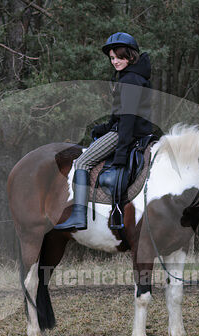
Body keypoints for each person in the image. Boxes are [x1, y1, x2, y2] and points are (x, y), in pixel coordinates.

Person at [54, 32, 152, 231]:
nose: (115, 61)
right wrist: (104, 128)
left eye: (119, 56)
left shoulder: (130, 79)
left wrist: (122, 153)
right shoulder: (134, 76)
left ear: (130, 55)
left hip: (125, 134)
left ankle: (78, 216)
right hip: (133, 131)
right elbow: (123, 114)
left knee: (81, 162)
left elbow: (127, 119)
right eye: (112, 58)